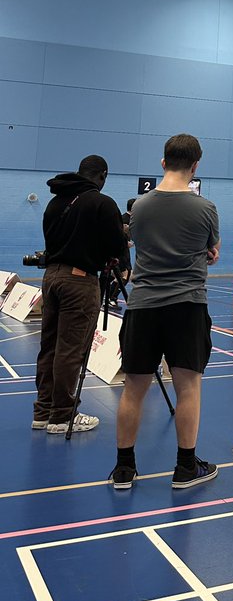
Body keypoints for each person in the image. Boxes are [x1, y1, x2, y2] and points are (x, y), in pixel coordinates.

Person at [110, 134, 220, 491]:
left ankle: (124, 469)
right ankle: (186, 467)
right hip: (187, 307)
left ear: (162, 163)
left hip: (143, 307)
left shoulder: (138, 207)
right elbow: (212, 250)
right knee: (188, 388)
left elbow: (140, 245)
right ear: (196, 166)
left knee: (133, 389)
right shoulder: (206, 209)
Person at [34, 154, 127, 434]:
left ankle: (43, 411)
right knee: (70, 350)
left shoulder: (54, 201)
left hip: (51, 277)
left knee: (49, 346)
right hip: (80, 281)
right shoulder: (102, 202)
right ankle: (63, 416)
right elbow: (115, 246)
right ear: (102, 175)